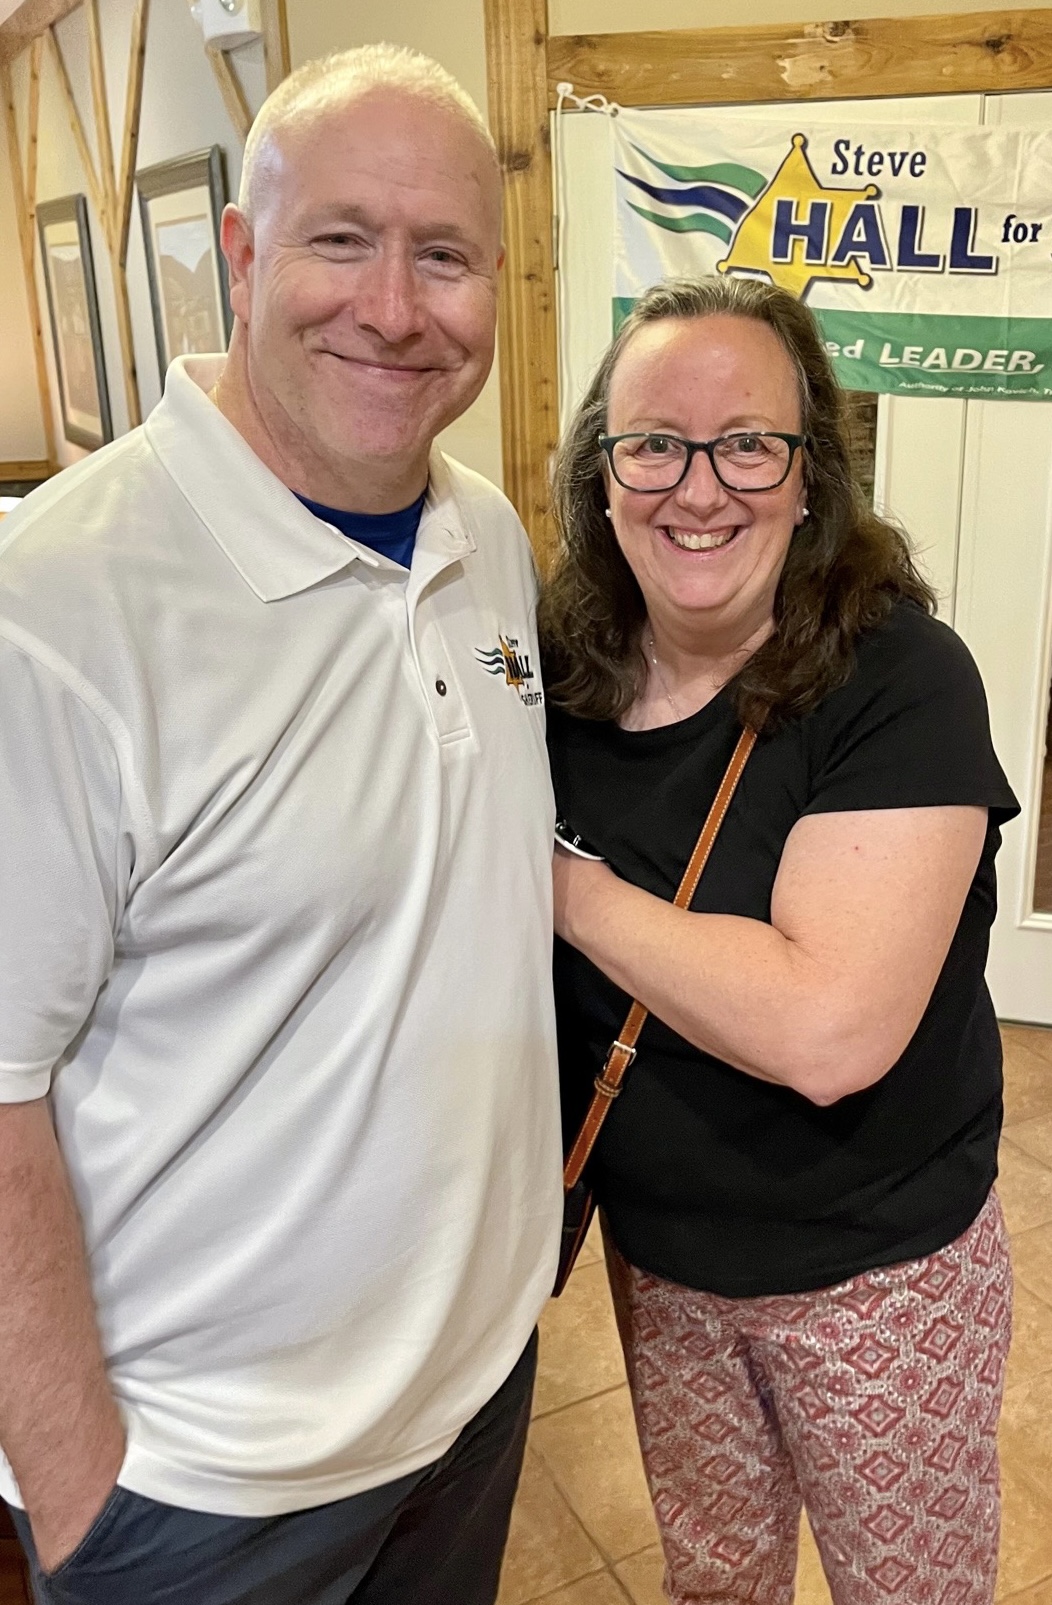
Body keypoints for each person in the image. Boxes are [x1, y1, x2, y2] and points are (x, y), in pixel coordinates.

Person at [0, 44, 562, 1605]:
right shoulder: (55, 606)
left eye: (442, 256)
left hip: (468, 1403)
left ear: (495, 284)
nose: (393, 306)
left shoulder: (487, 538)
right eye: (341, 240)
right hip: (207, 1489)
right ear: (242, 257)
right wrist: (85, 1503)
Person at [542, 274, 1018, 1604]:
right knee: (714, 1584)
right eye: (655, 444)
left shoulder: (903, 681)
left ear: (810, 476)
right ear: (603, 473)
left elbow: (827, 1031)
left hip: (876, 1275)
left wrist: (562, 885)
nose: (699, 489)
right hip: (665, 1267)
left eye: (748, 443)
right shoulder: (560, 667)